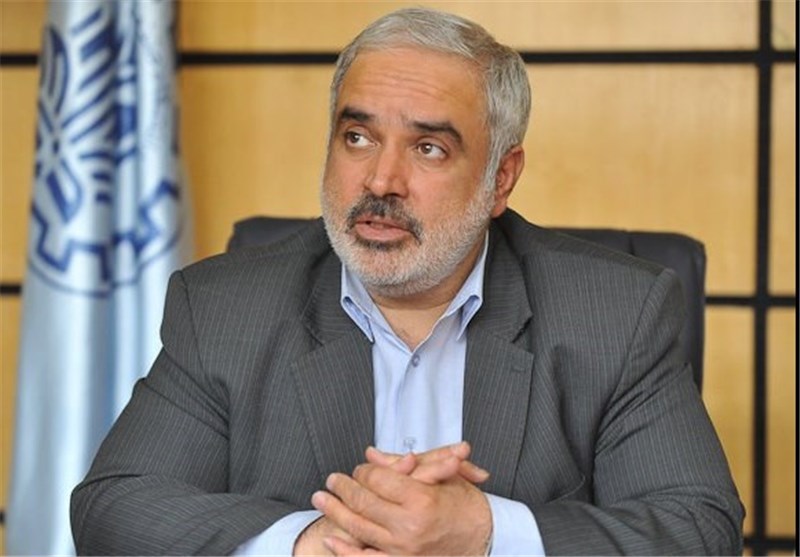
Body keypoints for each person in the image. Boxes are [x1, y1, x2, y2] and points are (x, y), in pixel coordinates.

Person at [71, 7, 743, 556]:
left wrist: (485, 533)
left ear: (501, 178)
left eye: (428, 148)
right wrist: (308, 541)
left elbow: (698, 529)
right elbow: (115, 508)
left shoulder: (615, 313)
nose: (381, 180)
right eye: (358, 137)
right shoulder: (226, 308)